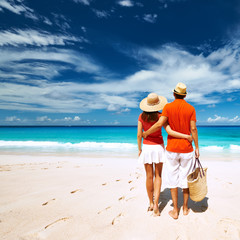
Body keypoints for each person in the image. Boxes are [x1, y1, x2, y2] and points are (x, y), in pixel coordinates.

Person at [143, 83, 199, 219]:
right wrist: (197, 147)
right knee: (186, 178)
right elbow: (193, 129)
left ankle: (175, 210)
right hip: (187, 148)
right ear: (185, 95)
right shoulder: (191, 108)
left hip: (172, 149)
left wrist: (146, 133)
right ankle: (185, 208)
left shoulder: (167, 107)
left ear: (174, 94)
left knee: (173, 179)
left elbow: (159, 124)